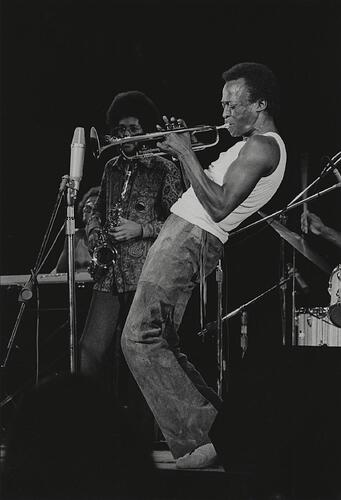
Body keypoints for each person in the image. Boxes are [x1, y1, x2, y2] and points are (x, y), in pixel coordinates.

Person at [120, 62, 287, 468]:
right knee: (162, 340)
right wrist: (180, 153)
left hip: (192, 235)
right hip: (185, 231)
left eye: (233, 105)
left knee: (139, 337)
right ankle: (224, 434)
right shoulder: (247, 144)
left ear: (260, 104)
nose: (224, 113)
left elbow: (218, 204)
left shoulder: (264, 146)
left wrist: (184, 153)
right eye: (223, 104)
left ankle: (199, 438)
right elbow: (207, 191)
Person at [80, 91, 183, 422]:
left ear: (145, 129)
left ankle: (144, 433)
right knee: (89, 350)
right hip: (109, 272)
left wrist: (140, 230)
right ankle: (91, 422)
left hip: (146, 272)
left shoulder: (164, 168)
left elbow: (179, 221)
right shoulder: (110, 167)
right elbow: (96, 208)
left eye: (133, 128)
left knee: (138, 355)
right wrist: (96, 236)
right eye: (121, 129)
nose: (126, 136)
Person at [51, 186, 100, 273]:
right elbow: (59, 270)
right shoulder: (75, 236)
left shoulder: (109, 238)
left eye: (93, 206)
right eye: (87, 205)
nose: (87, 208)